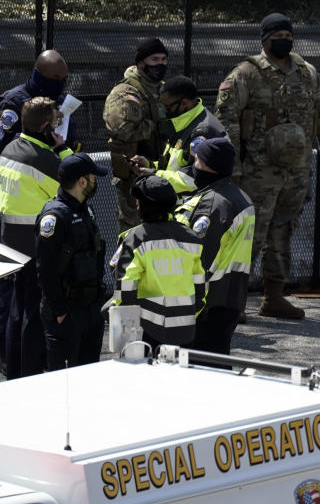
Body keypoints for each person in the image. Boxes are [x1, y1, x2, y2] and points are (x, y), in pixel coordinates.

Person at [216, 12, 320, 319]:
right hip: (257, 173)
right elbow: (227, 119)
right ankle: (233, 302)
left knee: (282, 233)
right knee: (249, 236)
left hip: (296, 172)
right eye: (278, 36)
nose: (284, 41)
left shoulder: (307, 73)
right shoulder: (246, 73)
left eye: (288, 36)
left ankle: (273, 297)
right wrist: (231, 166)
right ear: (264, 39)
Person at [0, 97, 74, 379]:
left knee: (15, 313)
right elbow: (78, 183)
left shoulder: (10, 148)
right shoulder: (44, 160)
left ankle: (14, 371)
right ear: (45, 126)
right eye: (55, 122)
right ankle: (29, 375)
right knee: (33, 315)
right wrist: (64, 150)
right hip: (34, 246)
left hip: (8, 241)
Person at [175, 137, 254, 356]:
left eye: (198, 160)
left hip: (209, 301)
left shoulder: (213, 204)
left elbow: (200, 257)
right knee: (218, 360)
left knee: (201, 363)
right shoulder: (241, 197)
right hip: (232, 295)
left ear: (209, 165)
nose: (194, 165)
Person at [109, 175, 205, 352]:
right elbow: (201, 290)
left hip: (148, 331)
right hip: (186, 330)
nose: (136, 205)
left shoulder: (137, 237)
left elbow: (125, 287)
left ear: (145, 206)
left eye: (139, 202)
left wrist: (122, 320)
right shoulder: (192, 238)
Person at [36, 153, 109, 371]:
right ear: (82, 182)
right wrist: (59, 312)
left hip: (90, 309)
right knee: (65, 382)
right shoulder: (54, 217)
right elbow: (45, 269)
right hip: (66, 313)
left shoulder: (86, 208)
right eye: (93, 178)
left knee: (89, 376)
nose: (96, 182)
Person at [103, 38, 170, 232]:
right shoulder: (125, 92)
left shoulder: (163, 89)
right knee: (134, 232)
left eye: (164, 59)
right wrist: (156, 123)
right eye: (155, 59)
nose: (161, 64)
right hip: (135, 176)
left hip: (160, 171)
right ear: (141, 62)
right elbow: (120, 130)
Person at [130, 75, 226, 194]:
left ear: (184, 103)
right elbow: (175, 166)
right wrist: (150, 165)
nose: (163, 111)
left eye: (166, 107)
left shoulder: (204, 132)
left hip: (196, 206)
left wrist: (154, 175)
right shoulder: (182, 123)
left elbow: (193, 179)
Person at [0, 49, 80, 154]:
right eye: (55, 78)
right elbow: (4, 143)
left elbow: (71, 139)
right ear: (39, 75)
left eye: (64, 79)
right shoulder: (13, 102)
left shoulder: (61, 102)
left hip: (58, 166)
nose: (59, 84)